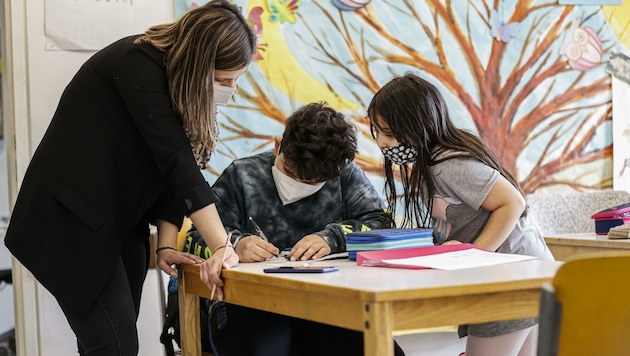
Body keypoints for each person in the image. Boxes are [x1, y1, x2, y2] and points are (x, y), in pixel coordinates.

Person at [3, 1, 256, 355]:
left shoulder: (176, 84)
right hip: (69, 222)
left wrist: (166, 244)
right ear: (199, 66)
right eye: (224, 80)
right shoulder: (137, 62)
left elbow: (172, 174)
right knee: (114, 345)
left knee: (109, 345)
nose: (232, 88)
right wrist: (221, 245)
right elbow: (177, 164)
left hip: (118, 225)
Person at [185, 101, 406, 356]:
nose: (297, 184)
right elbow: (192, 238)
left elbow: (380, 221)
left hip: (329, 303)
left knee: (381, 350)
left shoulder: (344, 174)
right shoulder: (241, 176)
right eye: (289, 171)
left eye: (312, 182)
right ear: (278, 145)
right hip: (252, 305)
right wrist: (234, 244)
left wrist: (332, 237)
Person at [366, 73, 554, 356]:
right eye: (377, 132)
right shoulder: (432, 164)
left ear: (418, 125)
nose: (381, 142)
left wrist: (474, 252)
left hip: (513, 279)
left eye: (389, 133)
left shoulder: (447, 164)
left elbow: (513, 202)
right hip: (522, 276)